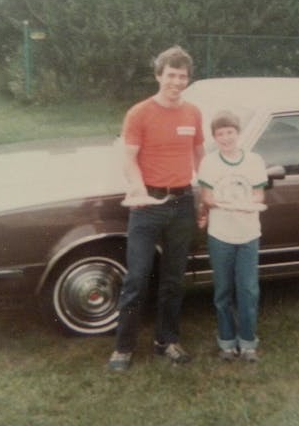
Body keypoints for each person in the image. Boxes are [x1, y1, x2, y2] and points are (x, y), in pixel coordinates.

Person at [108, 46, 204, 372]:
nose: (176, 81)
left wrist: (203, 195)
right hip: (147, 205)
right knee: (136, 278)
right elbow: (127, 158)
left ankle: (167, 341)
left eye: (182, 76)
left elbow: (200, 156)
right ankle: (123, 348)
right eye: (171, 75)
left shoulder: (193, 113)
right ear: (158, 76)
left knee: (174, 278)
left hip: (182, 204)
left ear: (188, 79)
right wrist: (137, 189)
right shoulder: (139, 113)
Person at [197, 110, 268, 362]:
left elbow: (259, 196)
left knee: (248, 289)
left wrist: (244, 204)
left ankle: (248, 343)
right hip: (220, 234)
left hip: (248, 234)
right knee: (223, 290)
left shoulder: (254, 160)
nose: (226, 138)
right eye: (220, 134)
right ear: (214, 137)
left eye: (230, 132)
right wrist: (223, 203)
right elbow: (206, 197)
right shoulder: (209, 162)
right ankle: (227, 342)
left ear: (238, 133)